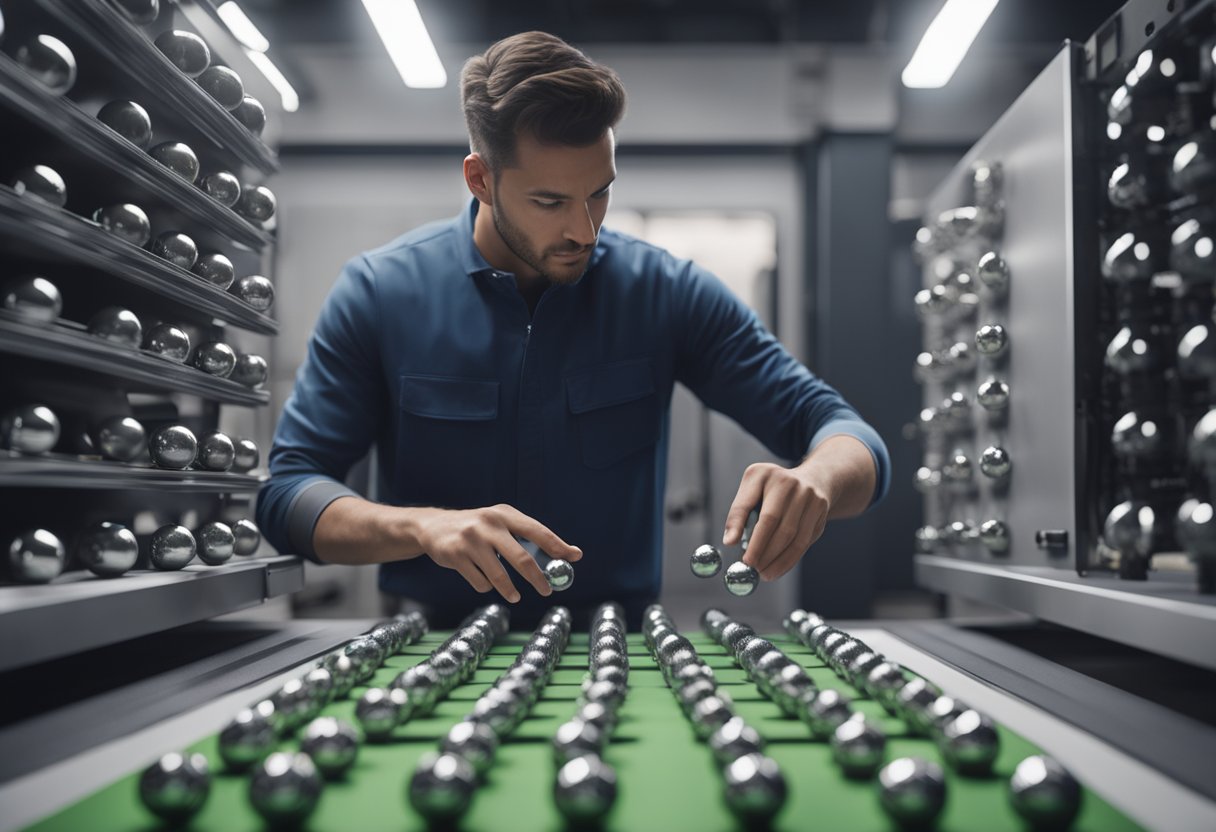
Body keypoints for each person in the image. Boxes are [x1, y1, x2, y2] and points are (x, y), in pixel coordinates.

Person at [256, 31, 890, 629]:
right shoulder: (378, 293)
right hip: (432, 645)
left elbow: (851, 438)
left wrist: (816, 483)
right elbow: (288, 497)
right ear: (481, 180)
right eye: (551, 202)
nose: (585, 230)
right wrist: (422, 527)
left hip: (616, 652)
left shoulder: (666, 292)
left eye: (600, 194)